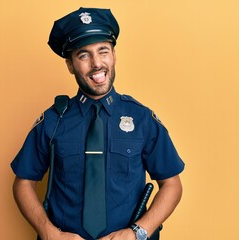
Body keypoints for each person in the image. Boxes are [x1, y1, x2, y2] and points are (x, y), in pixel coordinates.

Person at [11, 7, 185, 240]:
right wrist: (49, 233)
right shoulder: (52, 120)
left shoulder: (142, 119)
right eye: (83, 55)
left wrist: (137, 233)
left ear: (113, 55)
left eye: (103, 51)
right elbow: (23, 184)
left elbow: (172, 185)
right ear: (70, 65)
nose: (96, 63)